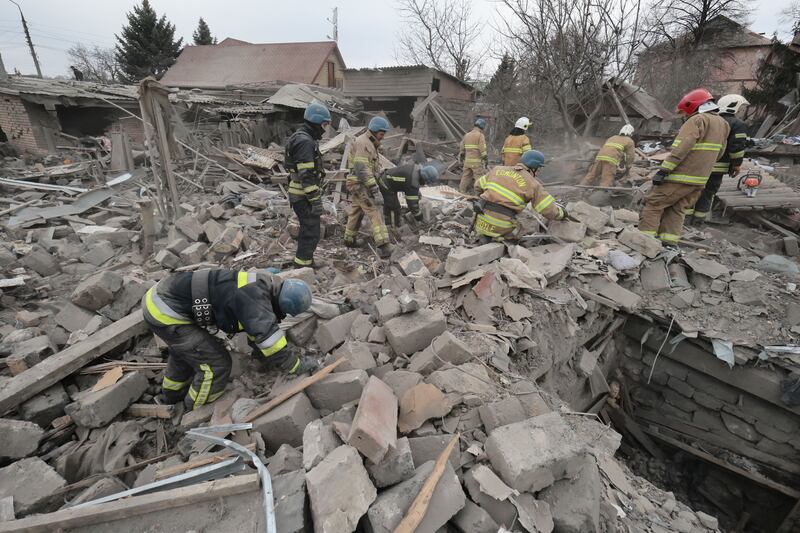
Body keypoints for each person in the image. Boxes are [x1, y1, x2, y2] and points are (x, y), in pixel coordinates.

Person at [142, 269, 317, 410]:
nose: (283, 317)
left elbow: (255, 332)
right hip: (165, 309)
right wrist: (296, 365)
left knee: (184, 354)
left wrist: (263, 359)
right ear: (283, 305)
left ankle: (170, 396)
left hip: (159, 297)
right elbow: (269, 340)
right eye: (285, 313)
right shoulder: (254, 299)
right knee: (216, 364)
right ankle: (192, 409)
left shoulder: (261, 284)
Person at [639, 88, 730, 246]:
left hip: (680, 176)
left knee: (654, 203)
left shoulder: (697, 120)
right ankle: (669, 243)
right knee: (677, 208)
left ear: (693, 107)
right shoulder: (723, 124)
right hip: (700, 179)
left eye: (686, 112)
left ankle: (644, 243)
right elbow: (720, 152)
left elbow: (681, 147)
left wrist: (664, 170)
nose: (686, 116)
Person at [473, 149, 566, 241]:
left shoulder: (497, 170)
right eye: (539, 169)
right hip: (501, 228)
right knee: (528, 227)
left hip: (480, 222)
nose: (538, 173)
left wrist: (488, 199)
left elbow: (477, 185)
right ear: (533, 166)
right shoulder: (533, 184)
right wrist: (561, 214)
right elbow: (548, 209)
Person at [685, 94, 750, 223]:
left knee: (692, 190)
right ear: (734, 106)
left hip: (700, 164)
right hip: (718, 167)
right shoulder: (737, 124)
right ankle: (698, 221)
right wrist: (736, 164)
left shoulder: (709, 120)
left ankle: (684, 217)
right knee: (708, 192)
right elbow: (736, 147)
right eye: (740, 107)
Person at [285, 102, 331, 268]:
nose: (325, 129)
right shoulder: (305, 142)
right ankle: (302, 267)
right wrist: (315, 200)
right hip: (303, 195)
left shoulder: (303, 137)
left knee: (308, 229)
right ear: (316, 122)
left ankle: (305, 261)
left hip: (301, 195)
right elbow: (306, 175)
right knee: (311, 231)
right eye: (324, 124)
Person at [344, 116, 392, 257]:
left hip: (358, 183)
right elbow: (362, 168)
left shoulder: (370, 143)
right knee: (375, 211)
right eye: (381, 134)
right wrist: (374, 189)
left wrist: (379, 182)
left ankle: (349, 239)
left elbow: (371, 168)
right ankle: (384, 245)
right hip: (360, 184)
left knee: (356, 212)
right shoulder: (363, 143)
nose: (382, 137)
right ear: (375, 131)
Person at [459, 118, 488, 193]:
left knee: (465, 177)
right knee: (478, 179)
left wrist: (462, 156)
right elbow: (482, 149)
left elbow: (462, 147)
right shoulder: (480, 135)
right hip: (476, 163)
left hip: (467, 162)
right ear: (482, 127)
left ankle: (461, 192)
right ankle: (477, 195)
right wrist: (485, 159)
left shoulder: (467, 135)